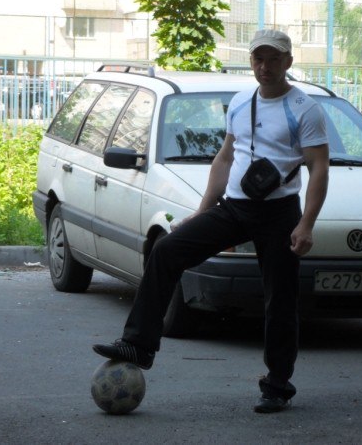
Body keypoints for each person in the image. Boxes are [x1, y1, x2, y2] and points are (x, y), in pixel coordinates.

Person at [93, 29, 329, 414]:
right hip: (235, 207)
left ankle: (277, 384)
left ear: (288, 61)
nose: (265, 66)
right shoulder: (240, 102)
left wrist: (306, 224)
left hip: (279, 214)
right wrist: (203, 211)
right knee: (167, 250)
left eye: (273, 59)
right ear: (251, 61)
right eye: (258, 59)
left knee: (280, 300)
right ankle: (138, 344)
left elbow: (319, 168)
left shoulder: (305, 108)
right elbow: (225, 158)